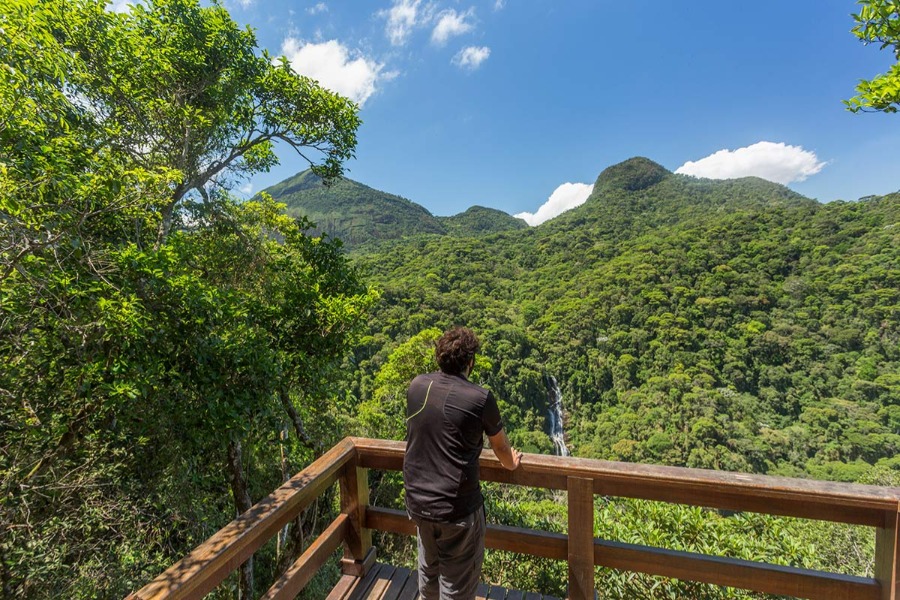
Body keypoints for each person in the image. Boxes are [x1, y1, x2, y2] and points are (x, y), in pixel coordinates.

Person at [403, 326, 522, 600]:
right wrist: (512, 463)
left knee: (428, 581)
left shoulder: (417, 385)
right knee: (457, 591)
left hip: (419, 502)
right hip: (457, 508)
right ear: (470, 362)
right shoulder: (480, 398)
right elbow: (501, 446)